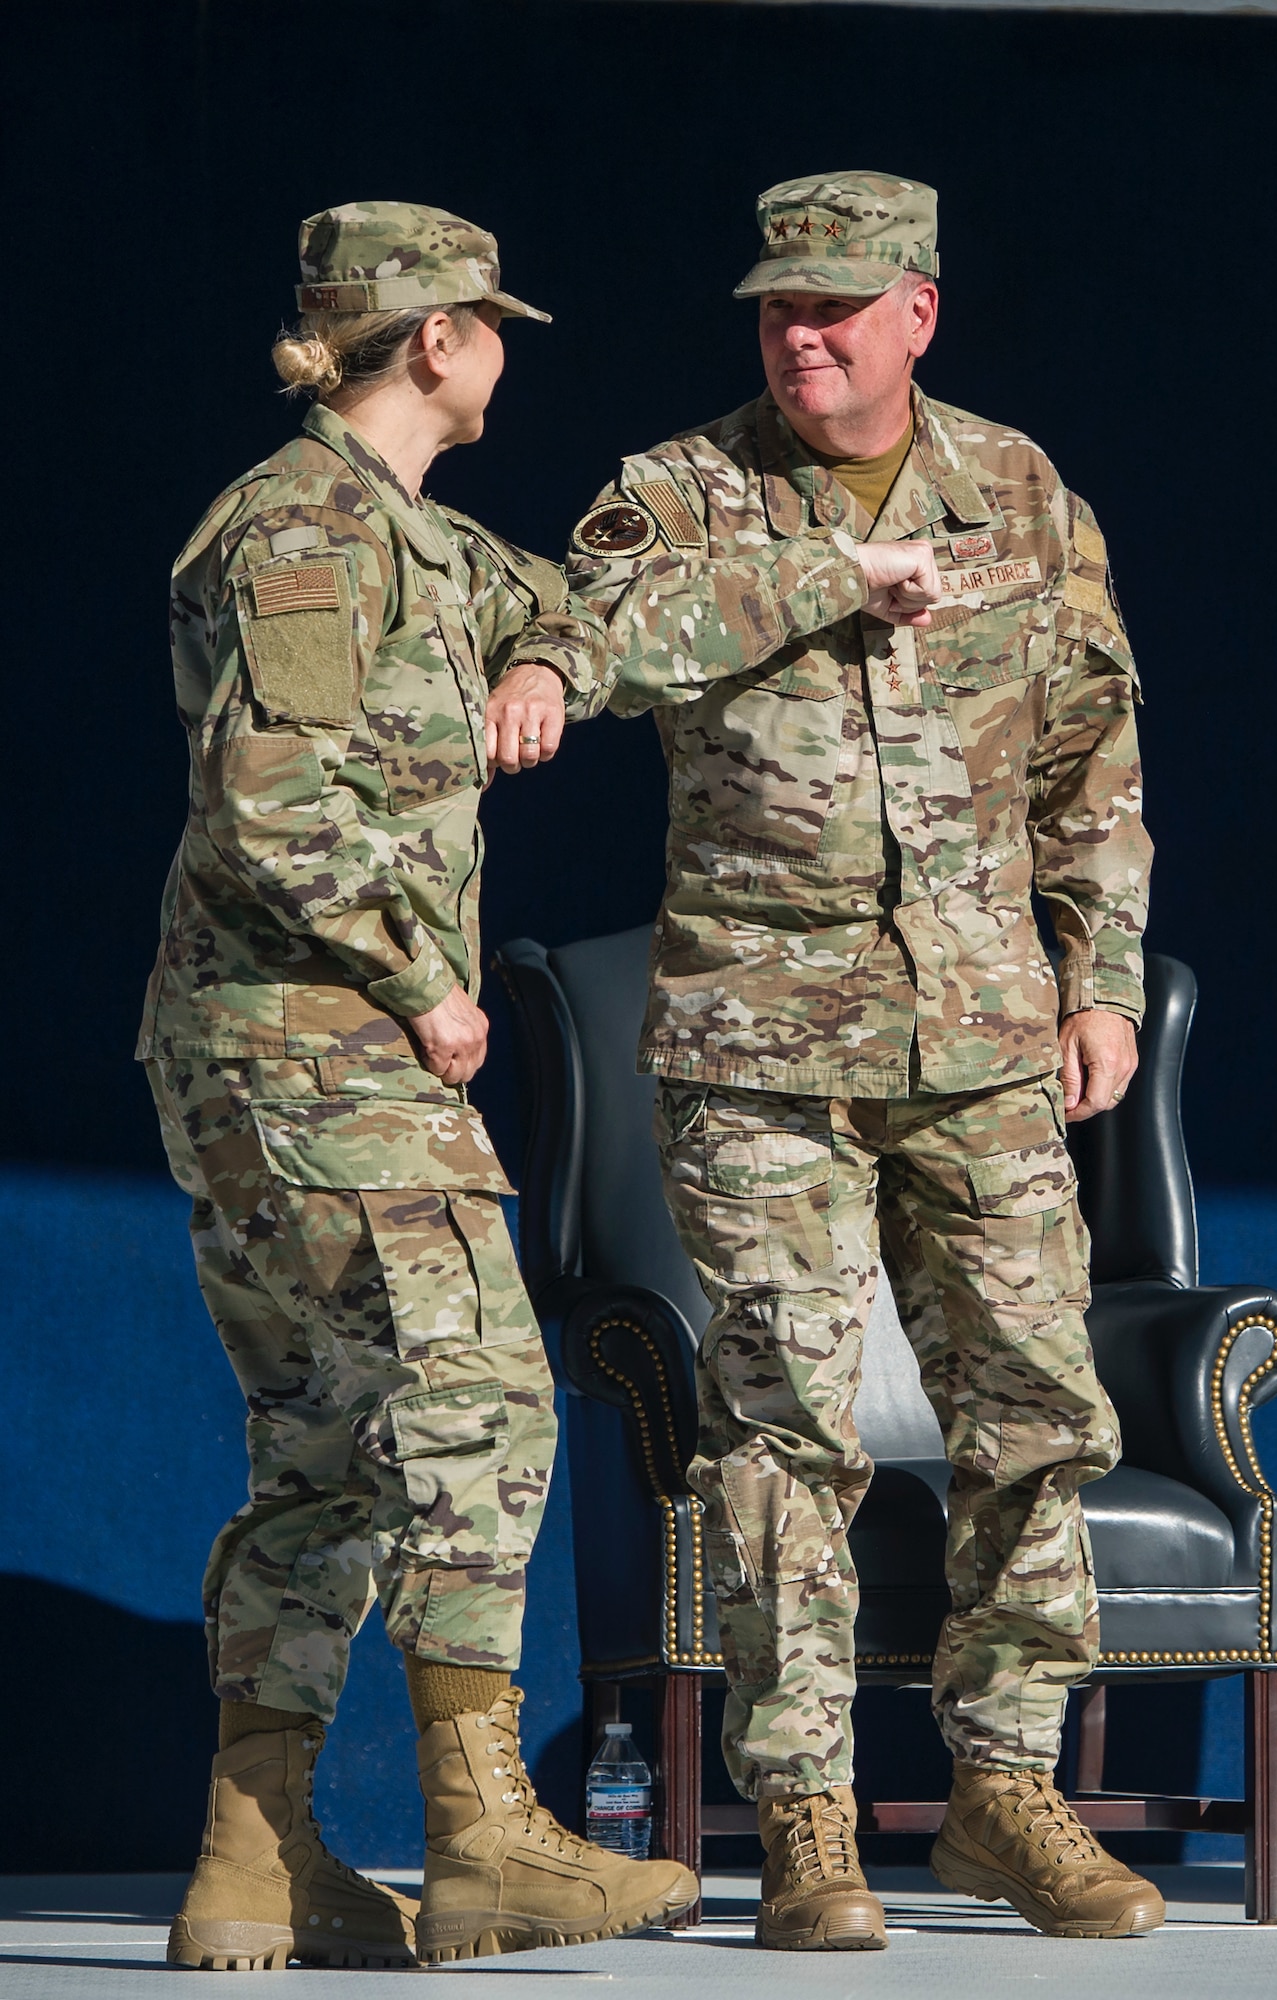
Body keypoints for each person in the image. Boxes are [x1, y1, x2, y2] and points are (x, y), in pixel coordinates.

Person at [565, 171, 1162, 1950]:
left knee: (1038, 1410)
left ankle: (1007, 1792)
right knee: (783, 1434)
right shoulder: (679, 492)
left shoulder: (1022, 490)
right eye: (775, 306)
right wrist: (825, 574)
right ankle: (806, 1820)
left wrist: (1099, 980)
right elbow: (589, 648)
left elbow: (1093, 755)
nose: (800, 334)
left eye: (836, 306)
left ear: (917, 312)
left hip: (981, 1035)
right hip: (761, 1045)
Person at [137, 200, 703, 1970]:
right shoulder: (303, 530)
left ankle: (254, 1864)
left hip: (300, 1057)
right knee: (482, 1408)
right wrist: (423, 978)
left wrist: (545, 657)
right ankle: (486, 1842)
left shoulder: (419, 541)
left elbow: (584, 610)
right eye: (493, 327)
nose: (508, 356)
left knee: (324, 1455)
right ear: (436, 340)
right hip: (323, 1049)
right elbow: (271, 802)